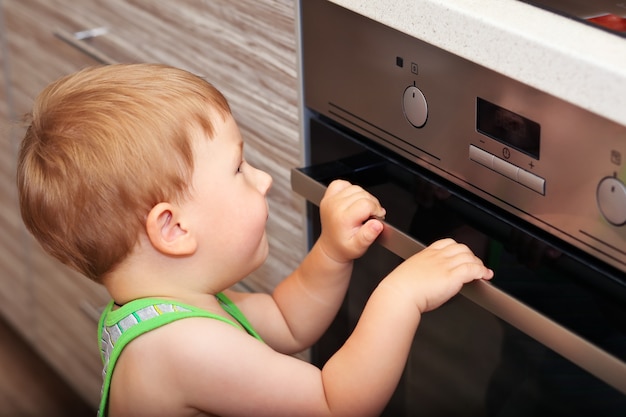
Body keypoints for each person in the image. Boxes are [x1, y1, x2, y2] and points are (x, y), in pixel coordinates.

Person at [16, 63, 493, 417]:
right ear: (173, 229)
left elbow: (287, 319)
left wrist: (330, 250)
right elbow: (334, 404)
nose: (262, 180)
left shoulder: (166, 308)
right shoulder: (182, 346)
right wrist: (400, 294)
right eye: (238, 169)